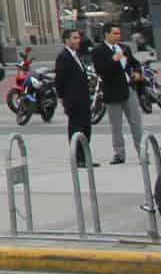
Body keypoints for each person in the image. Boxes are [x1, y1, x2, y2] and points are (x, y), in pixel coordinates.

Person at [93, 23, 146, 165]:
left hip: (129, 89)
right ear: (107, 34)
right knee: (116, 125)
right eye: (115, 33)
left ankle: (142, 152)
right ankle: (119, 154)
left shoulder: (124, 48)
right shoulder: (99, 51)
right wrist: (113, 60)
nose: (118, 36)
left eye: (119, 33)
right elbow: (100, 70)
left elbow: (135, 63)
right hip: (112, 92)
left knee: (136, 122)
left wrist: (137, 72)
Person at [55, 28, 95, 168]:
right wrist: (62, 97)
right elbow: (59, 80)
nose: (78, 41)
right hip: (73, 99)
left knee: (86, 127)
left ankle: (85, 156)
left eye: (78, 38)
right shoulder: (63, 57)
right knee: (76, 128)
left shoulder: (76, 55)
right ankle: (78, 157)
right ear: (67, 40)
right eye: (75, 38)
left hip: (83, 98)